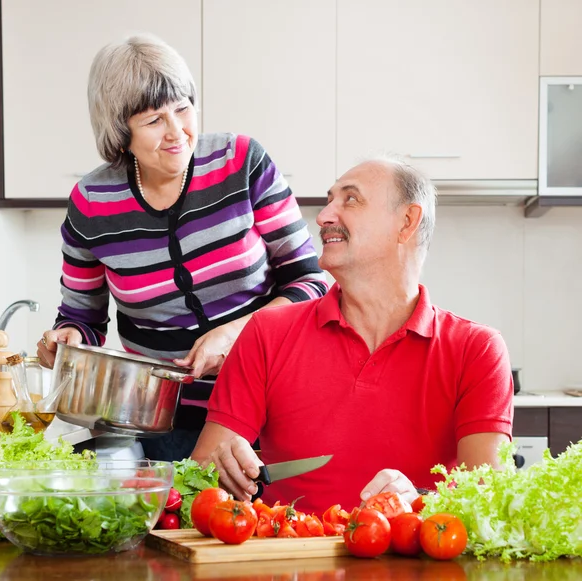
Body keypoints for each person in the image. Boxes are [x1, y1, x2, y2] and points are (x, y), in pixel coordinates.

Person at [36, 34, 328, 460]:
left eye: (183, 109)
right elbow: (83, 317)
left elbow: (310, 284)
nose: (177, 133)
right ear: (121, 132)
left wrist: (234, 334)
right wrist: (67, 340)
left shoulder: (242, 163)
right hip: (161, 418)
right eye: (154, 121)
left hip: (273, 402)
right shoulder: (92, 204)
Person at [191, 156, 514, 515]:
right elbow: (200, 478)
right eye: (330, 200)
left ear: (406, 222)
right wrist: (223, 469)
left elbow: (489, 498)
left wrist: (422, 501)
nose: (324, 215)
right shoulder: (266, 333)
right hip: (289, 565)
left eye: (350, 199)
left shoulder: (477, 349)